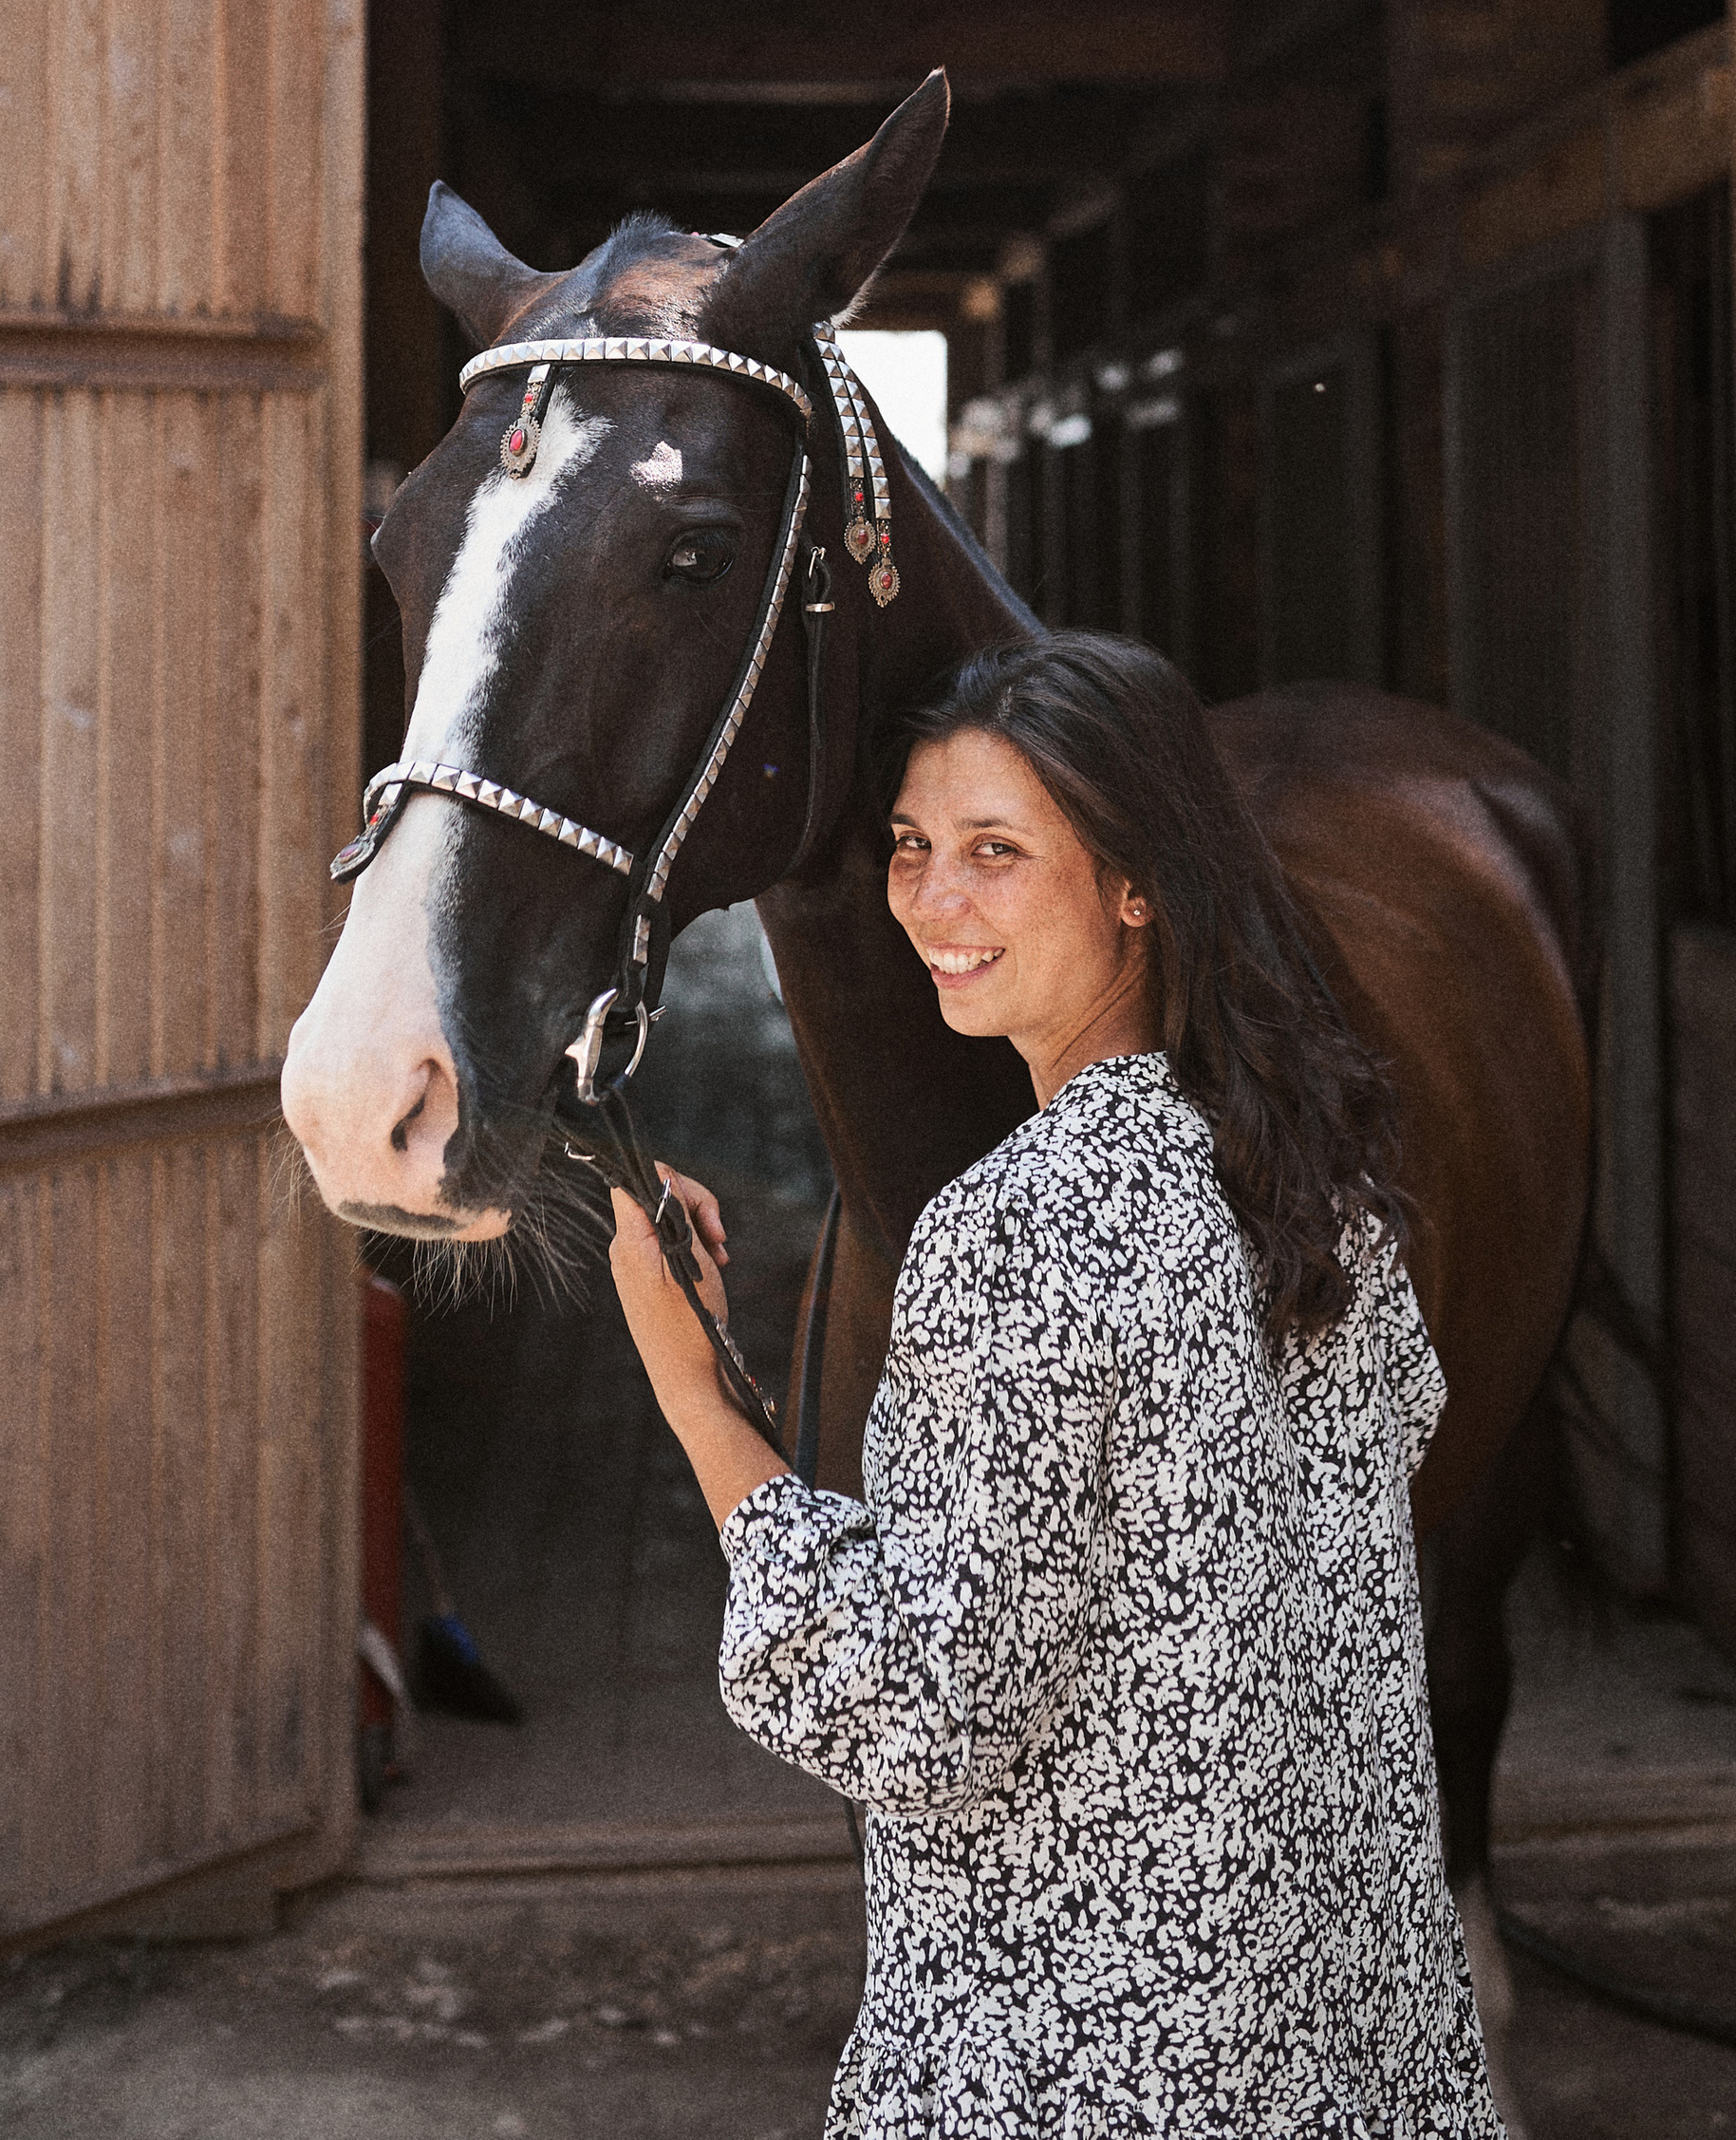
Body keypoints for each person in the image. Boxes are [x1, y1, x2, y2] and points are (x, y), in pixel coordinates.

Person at [606, 629, 1504, 2140]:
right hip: (1338, 2036)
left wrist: (696, 1391)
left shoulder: (1018, 1227)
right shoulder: (1319, 1179)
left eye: (997, 853)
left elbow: (926, 1708)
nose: (932, 903)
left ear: (1137, 882)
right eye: (910, 846)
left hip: (1089, 2066)